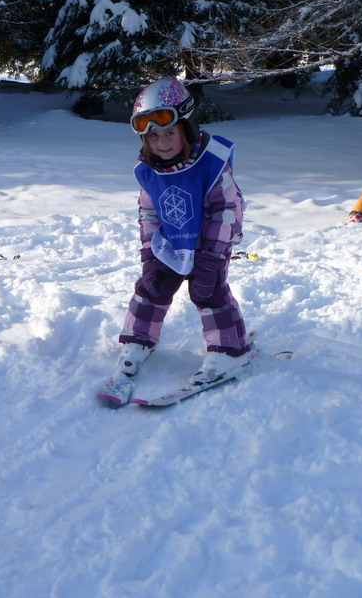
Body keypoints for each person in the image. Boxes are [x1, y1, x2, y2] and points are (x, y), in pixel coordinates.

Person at [98, 78, 252, 406]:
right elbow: (148, 211)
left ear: (187, 128)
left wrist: (211, 257)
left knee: (209, 291)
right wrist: (148, 253)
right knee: (152, 287)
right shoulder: (148, 170)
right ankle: (137, 340)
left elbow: (226, 209)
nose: (162, 143)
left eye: (169, 133)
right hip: (171, 241)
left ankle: (230, 351)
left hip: (210, 241)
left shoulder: (211, 163)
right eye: (152, 136)